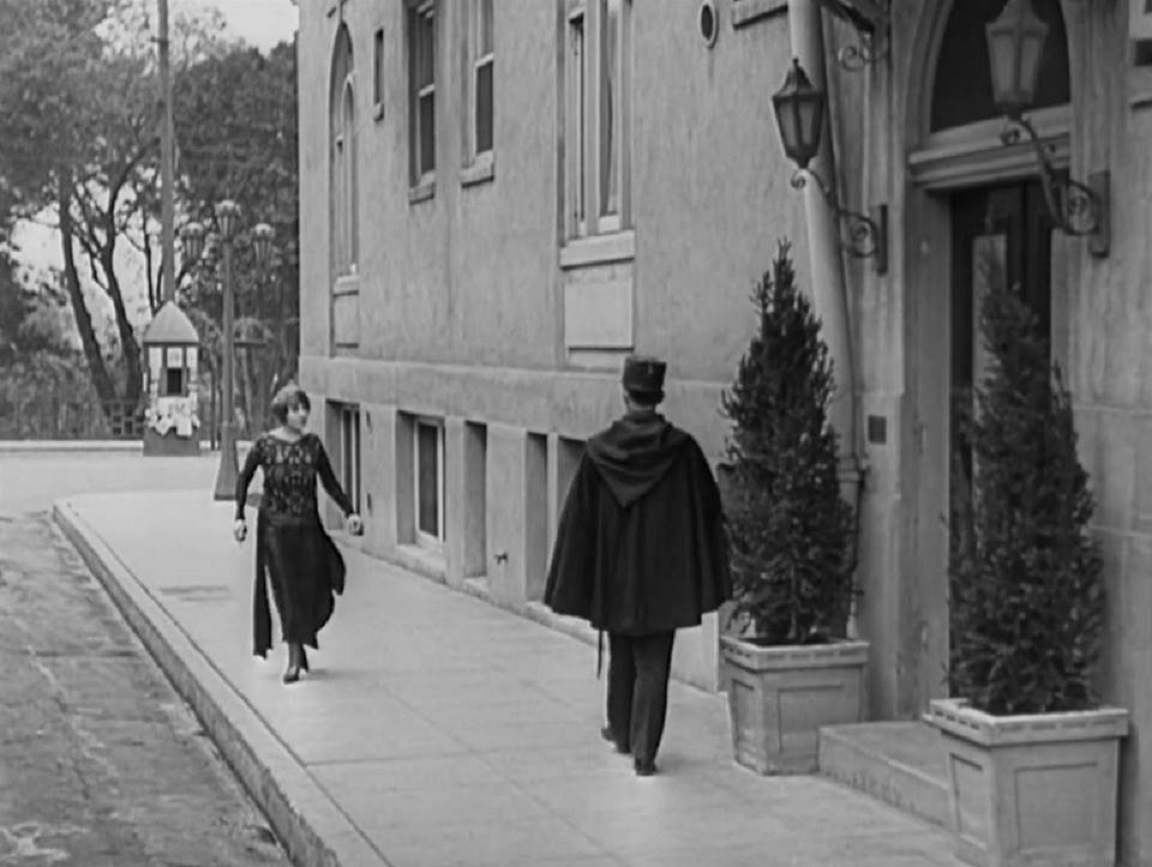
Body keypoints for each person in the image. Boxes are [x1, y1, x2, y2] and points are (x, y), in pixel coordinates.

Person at [544, 355, 731, 776]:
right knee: (653, 663)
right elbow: (707, 511)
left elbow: (579, 521)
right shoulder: (683, 452)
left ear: (625, 395)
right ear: (657, 397)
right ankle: (644, 751)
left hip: (614, 574)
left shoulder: (597, 453)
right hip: (664, 577)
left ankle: (622, 733)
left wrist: (579, 577)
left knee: (622, 652)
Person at [233, 384, 363, 684]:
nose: (301, 414)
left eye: (304, 408)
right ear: (283, 413)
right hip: (275, 529)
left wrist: (350, 511)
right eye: (295, 409)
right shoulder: (265, 446)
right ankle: (292, 657)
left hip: (307, 527)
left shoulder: (312, 446)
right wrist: (239, 516)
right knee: (286, 590)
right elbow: (244, 478)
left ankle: (301, 637)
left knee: (311, 589)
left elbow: (329, 482)